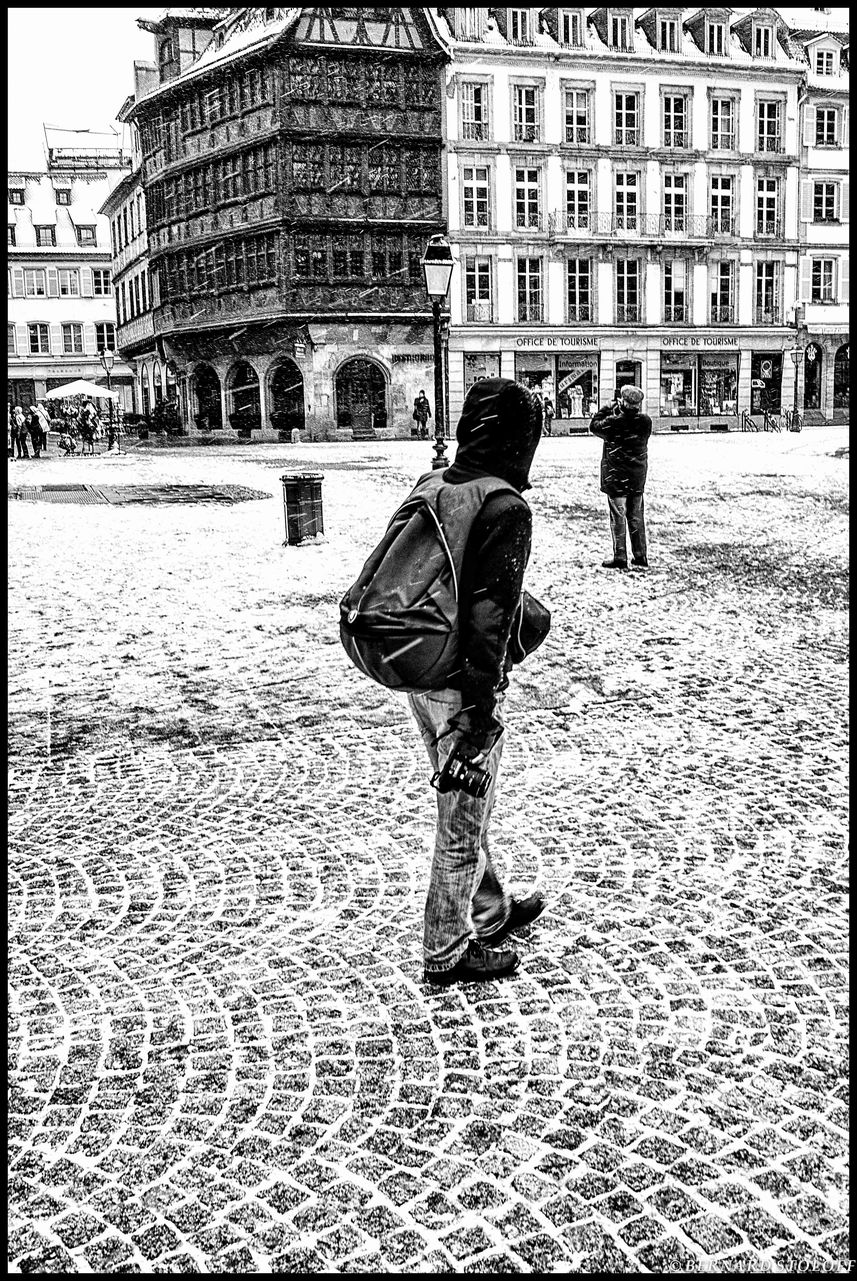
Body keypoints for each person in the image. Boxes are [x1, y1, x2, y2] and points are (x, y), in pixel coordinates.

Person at [408, 376, 548, 986]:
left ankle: (488, 910)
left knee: (468, 801)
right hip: (462, 681)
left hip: (421, 662)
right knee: (462, 820)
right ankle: (447, 950)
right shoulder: (504, 506)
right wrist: (480, 706)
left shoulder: (434, 483)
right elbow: (489, 615)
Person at [589, 385, 652, 570]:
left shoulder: (614, 422)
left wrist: (608, 408)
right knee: (636, 516)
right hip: (637, 476)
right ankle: (640, 555)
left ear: (624, 402)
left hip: (617, 477)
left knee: (618, 516)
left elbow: (594, 426)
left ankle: (620, 556)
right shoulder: (645, 421)